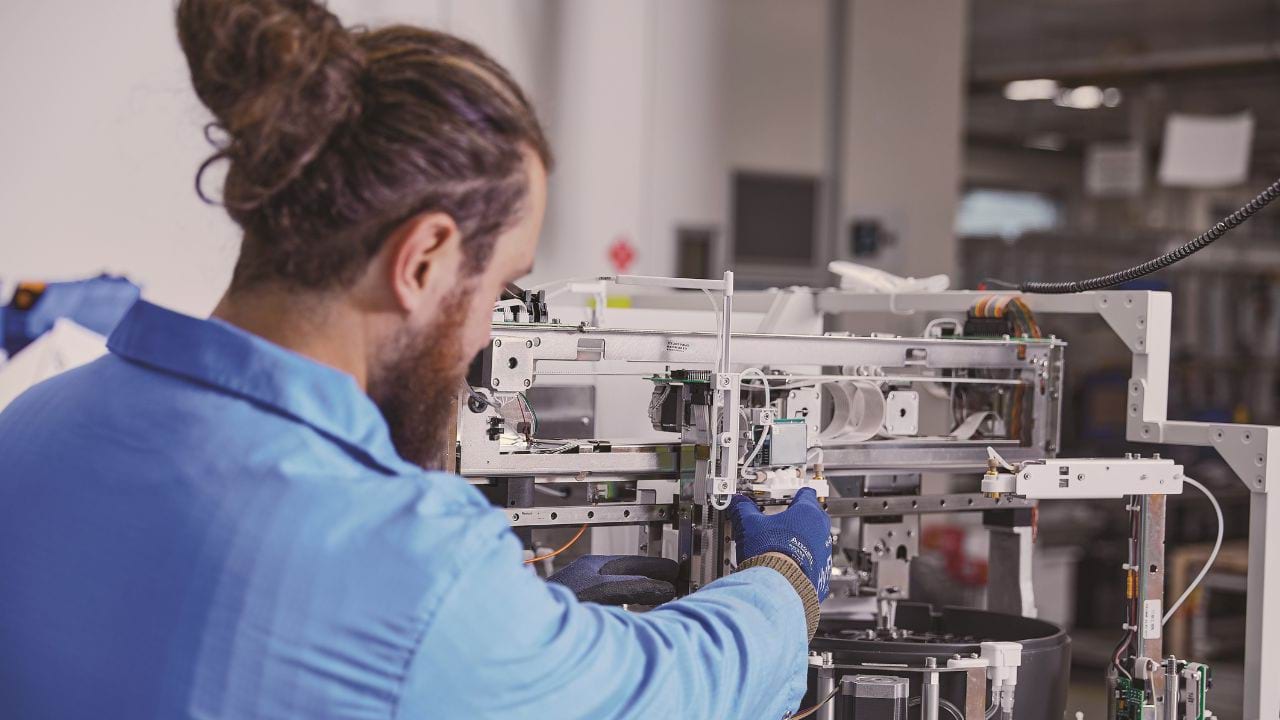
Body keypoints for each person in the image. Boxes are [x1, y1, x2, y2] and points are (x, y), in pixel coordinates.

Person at [0, 1, 833, 718]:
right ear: (424, 258)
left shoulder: (32, 427)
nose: (484, 339)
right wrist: (782, 579)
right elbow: (655, 695)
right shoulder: (401, 558)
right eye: (502, 287)